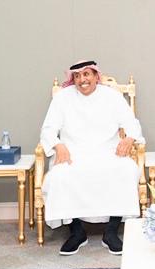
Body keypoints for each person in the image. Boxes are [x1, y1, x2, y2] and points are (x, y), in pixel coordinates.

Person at [39, 60, 143, 255]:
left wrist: (129, 138)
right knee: (59, 176)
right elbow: (48, 129)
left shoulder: (112, 96)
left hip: (108, 152)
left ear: (96, 76)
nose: (82, 80)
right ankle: (77, 232)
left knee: (127, 170)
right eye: (77, 76)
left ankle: (111, 232)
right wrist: (58, 145)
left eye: (86, 74)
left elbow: (131, 122)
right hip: (73, 154)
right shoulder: (62, 98)